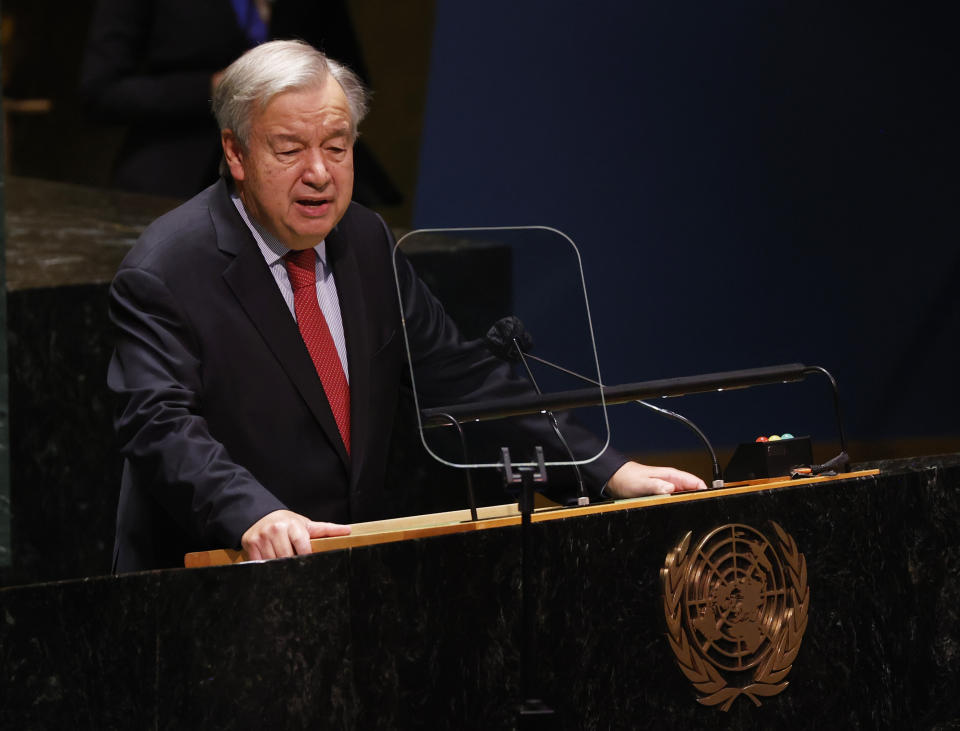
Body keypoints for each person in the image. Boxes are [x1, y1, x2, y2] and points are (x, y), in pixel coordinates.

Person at [107, 40, 705, 572]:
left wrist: (608, 470)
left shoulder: (365, 242)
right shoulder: (167, 269)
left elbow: (464, 381)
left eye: (337, 148)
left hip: (345, 572)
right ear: (236, 155)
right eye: (289, 149)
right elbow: (160, 425)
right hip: (210, 581)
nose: (319, 173)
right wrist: (252, 514)